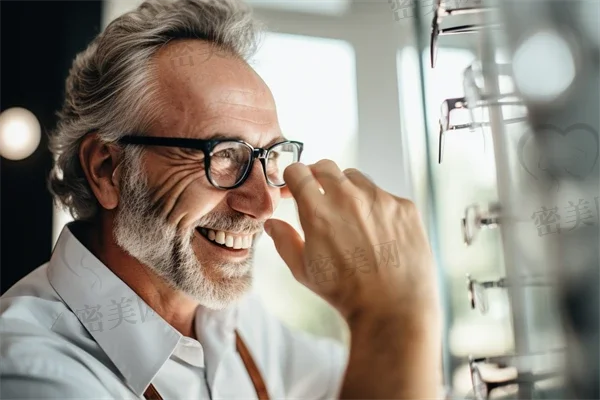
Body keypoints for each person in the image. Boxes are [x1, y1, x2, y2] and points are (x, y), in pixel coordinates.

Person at [0, 0, 442, 399]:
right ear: (106, 169)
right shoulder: (28, 369)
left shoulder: (238, 325)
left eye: (268, 156)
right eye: (224, 155)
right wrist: (391, 320)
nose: (264, 203)